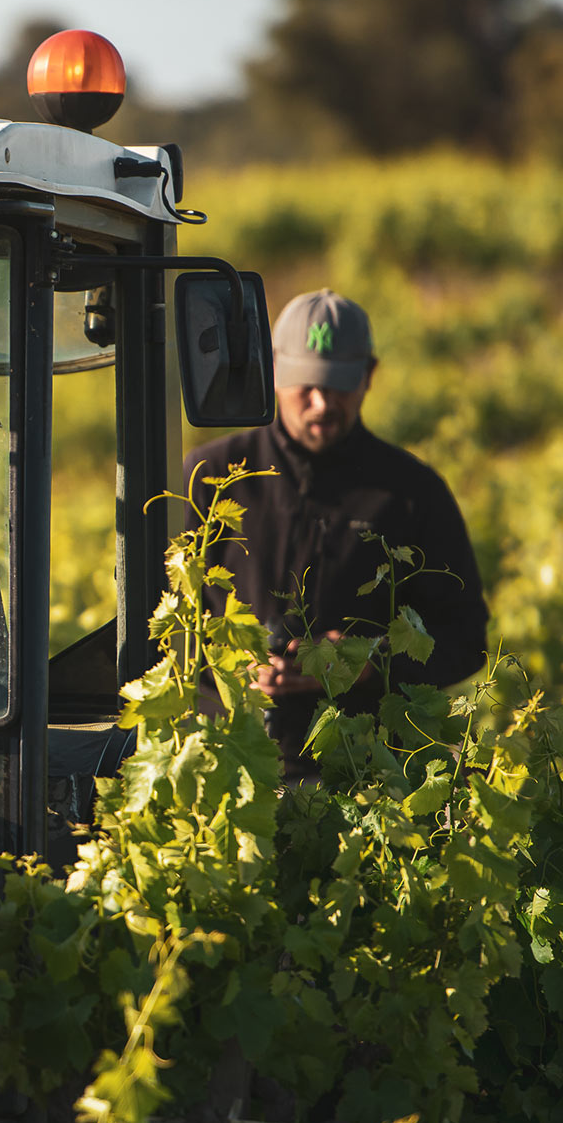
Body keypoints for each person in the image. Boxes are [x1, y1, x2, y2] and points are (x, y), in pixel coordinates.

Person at [185, 288, 488, 775]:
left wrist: (367, 663)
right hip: (224, 770)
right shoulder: (211, 476)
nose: (322, 402)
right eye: (306, 384)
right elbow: (154, 629)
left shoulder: (412, 493)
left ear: (369, 377)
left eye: (340, 384)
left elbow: (466, 637)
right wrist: (232, 672)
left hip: (365, 785)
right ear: (274, 372)